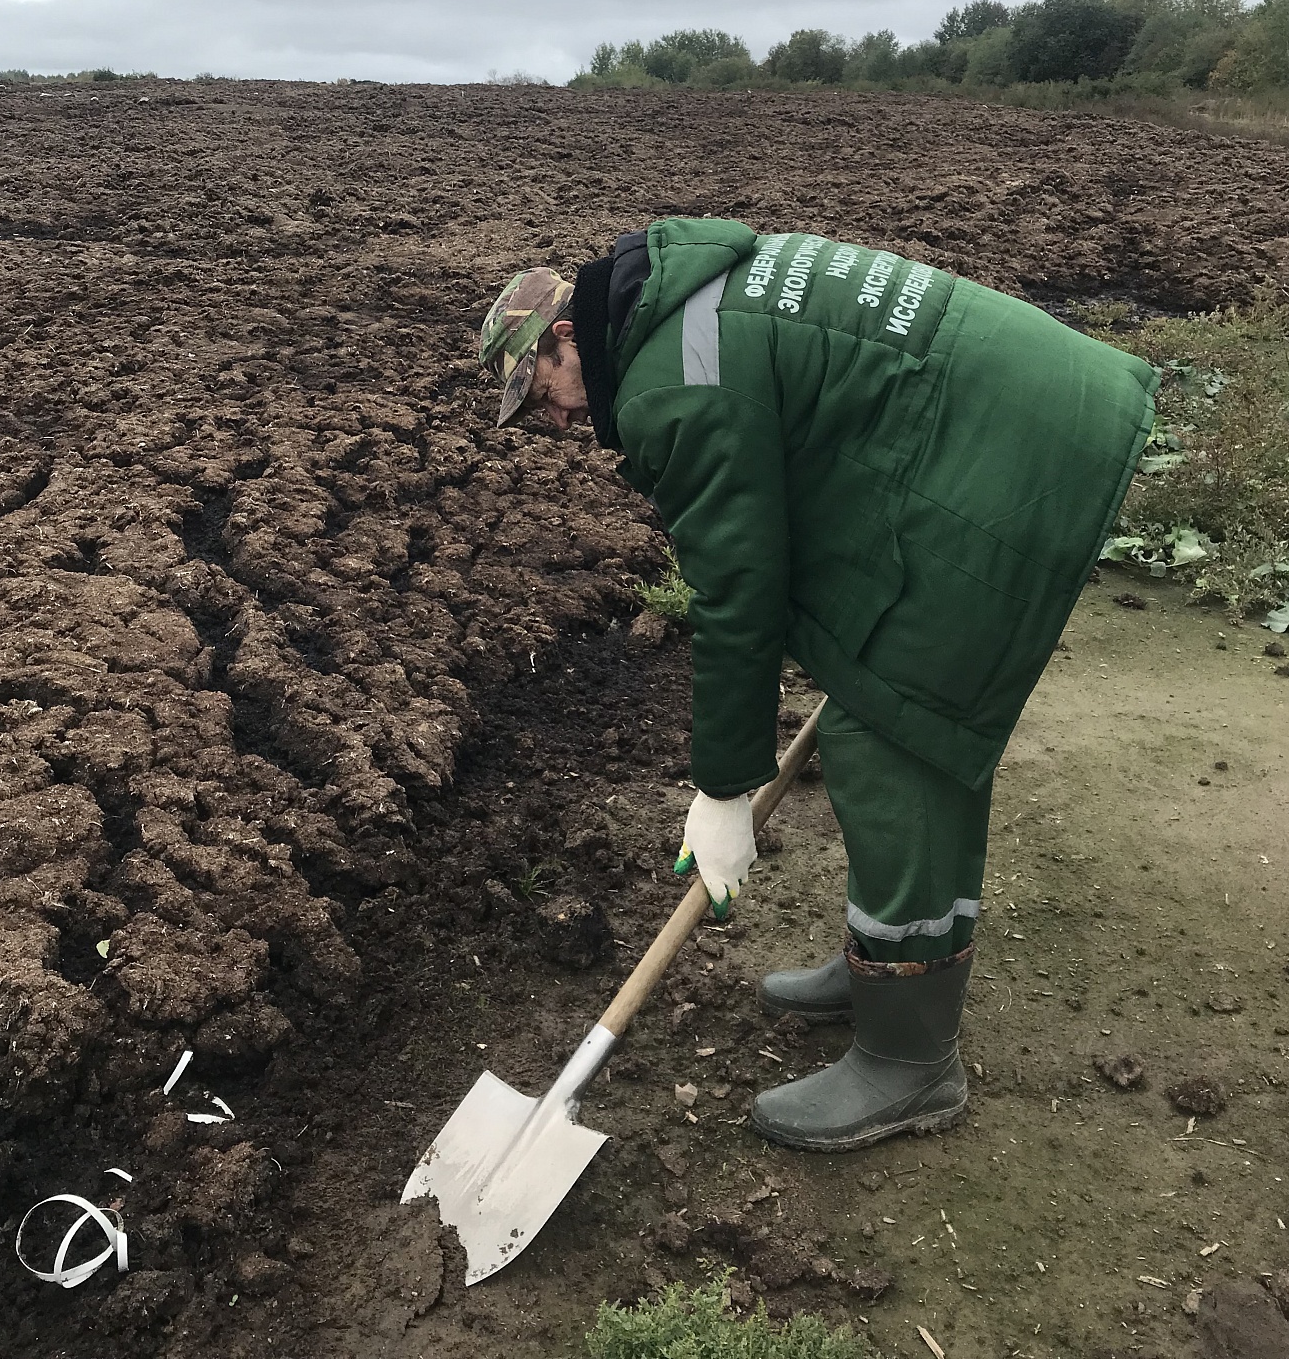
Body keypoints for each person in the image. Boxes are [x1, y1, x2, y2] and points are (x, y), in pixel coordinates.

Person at [479, 219, 1156, 1151]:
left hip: (1010, 459)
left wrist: (723, 789)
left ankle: (909, 1062)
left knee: (892, 736)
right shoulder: (680, 309)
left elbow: (738, 589)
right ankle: (888, 966)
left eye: (541, 393)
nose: (554, 424)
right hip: (1000, 421)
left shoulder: (671, 383)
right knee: (882, 702)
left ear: (563, 335)